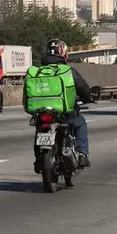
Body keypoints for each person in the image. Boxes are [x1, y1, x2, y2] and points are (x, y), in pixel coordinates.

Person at [29, 39, 93, 173]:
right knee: (80, 122)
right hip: (63, 113)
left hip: (41, 111)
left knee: (39, 127)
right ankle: (82, 154)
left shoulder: (35, 71)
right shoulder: (68, 70)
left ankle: (38, 157)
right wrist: (88, 98)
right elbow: (82, 87)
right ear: (63, 53)